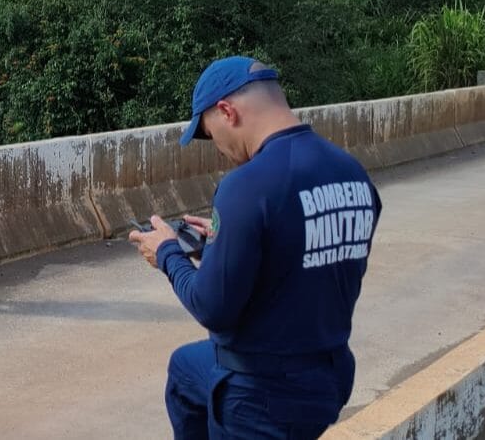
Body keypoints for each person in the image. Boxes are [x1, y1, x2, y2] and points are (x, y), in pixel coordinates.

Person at [128, 56, 381, 439]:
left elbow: (212, 308)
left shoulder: (245, 186)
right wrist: (219, 245)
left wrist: (167, 254)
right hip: (329, 378)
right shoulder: (352, 173)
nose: (219, 149)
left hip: (262, 395)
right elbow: (303, 259)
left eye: (212, 135)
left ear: (227, 112)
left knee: (203, 378)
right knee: (185, 369)